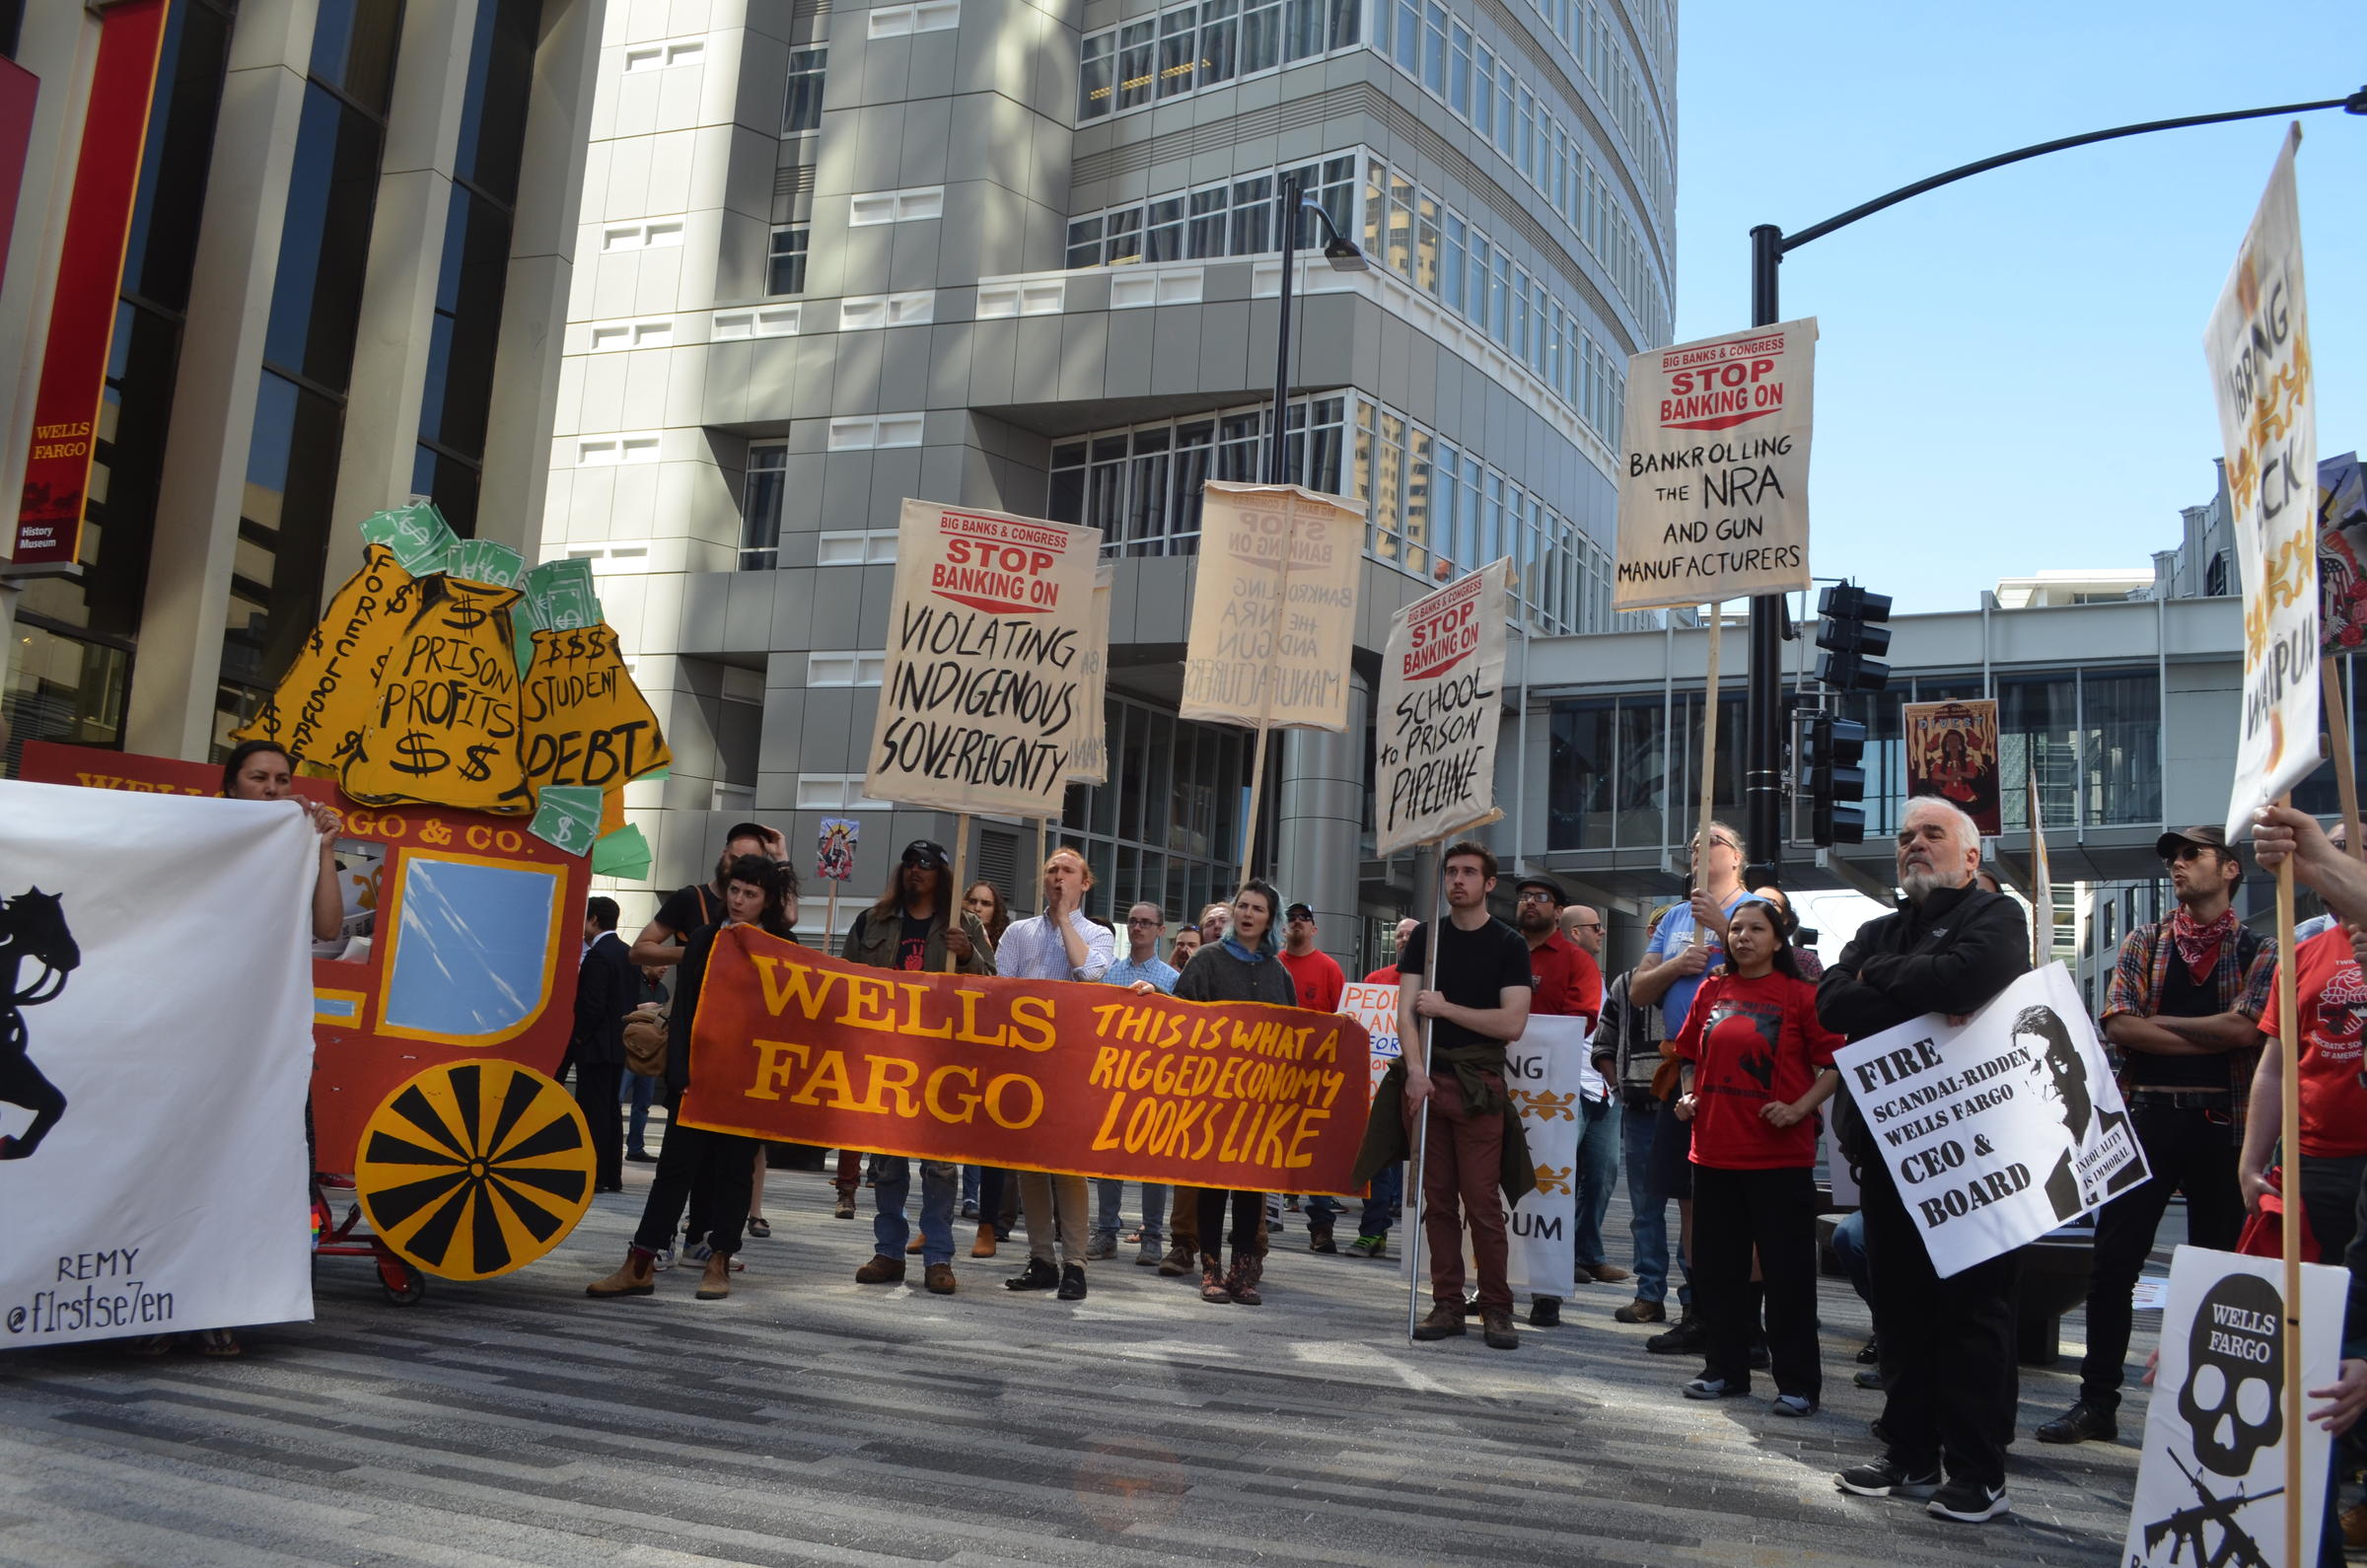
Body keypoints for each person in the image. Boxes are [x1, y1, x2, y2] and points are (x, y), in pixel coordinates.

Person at [1824, 798, 2030, 1525]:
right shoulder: (1877, 929)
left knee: (1973, 1312)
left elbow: (1969, 979)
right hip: (1887, 1151)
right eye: (1905, 836)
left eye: (1931, 834)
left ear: (1971, 857)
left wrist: (1882, 980)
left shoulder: (1999, 917)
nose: (1913, 844)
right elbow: (1832, 1001)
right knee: (1902, 1311)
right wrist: (1912, 982)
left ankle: (1978, 1472)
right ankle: (1908, 1453)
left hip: (1973, 1154)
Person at [2037, 823, 2269, 1449]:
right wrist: (2204, 1028)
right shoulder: (2145, 940)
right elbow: (2119, 1027)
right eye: (2173, 856)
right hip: (2147, 1118)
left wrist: (2157, 1021)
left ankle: (2198, 1414)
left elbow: (2249, 1031)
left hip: (2225, 1124)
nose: (2178, 865)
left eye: (2193, 855)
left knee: (2215, 1273)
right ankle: (2097, 1403)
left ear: (2230, 870)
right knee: (2113, 1266)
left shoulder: (2258, 949)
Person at [2244, 806, 2367, 1561]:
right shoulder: (2306, 952)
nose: (2325, 869)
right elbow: (2276, 1063)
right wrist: (2254, 1159)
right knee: (2314, 1356)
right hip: (2314, 1168)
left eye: (2345, 854)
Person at [589, 856, 795, 1303]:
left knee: (735, 1172)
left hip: (747, 1080)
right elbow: (684, 1012)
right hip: (697, 1077)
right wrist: (679, 1074)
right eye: (735, 890)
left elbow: (787, 1021)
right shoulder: (703, 939)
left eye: (751, 894)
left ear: (768, 901)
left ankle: (719, 1259)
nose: (739, 901)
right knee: (673, 1171)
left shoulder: (783, 945)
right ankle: (640, 1261)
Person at [1355, 841, 1535, 1350]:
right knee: (1436, 1202)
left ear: (1488, 883)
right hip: (1428, 1080)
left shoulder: (1508, 945)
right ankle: (1447, 1303)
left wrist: (1448, 1008)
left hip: (1479, 1087)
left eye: (1469, 872)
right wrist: (1414, 1071)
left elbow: (1512, 1023)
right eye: (1451, 872)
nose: (1457, 880)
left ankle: (1496, 1308)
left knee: (1481, 1202)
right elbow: (1407, 1012)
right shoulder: (1426, 940)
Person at [1669, 897, 1842, 1415]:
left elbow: (1834, 1064)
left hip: (1778, 1161)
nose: (1743, 937)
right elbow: (1687, 1056)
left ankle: (1798, 1384)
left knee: (1788, 1275)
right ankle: (1725, 1370)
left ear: (1777, 939)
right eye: (1737, 928)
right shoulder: (1711, 989)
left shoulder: (1800, 996)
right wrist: (1687, 1096)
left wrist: (1800, 1108)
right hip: (1712, 1154)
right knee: (1717, 1273)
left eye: (1756, 929)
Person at [841, 839, 995, 1296]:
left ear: (942, 874)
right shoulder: (873, 921)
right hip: (885, 1057)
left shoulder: (963, 925)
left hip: (941, 1062)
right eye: (909, 863)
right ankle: (888, 1251)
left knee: (941, 1168)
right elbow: (844, 981)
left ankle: (938, 1258)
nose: (915, 871)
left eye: (926, 864)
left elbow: (995, 990)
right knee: (886, 1163)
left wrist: (967, 955)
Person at [1628, 826, 1751, 1356]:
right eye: (1695, 842)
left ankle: (1746, 1321)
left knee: (1739, 1204)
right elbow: (1638, 989)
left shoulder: (1755, 906)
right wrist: (1679, 963)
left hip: (1736, 1076)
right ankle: (1697, 1312)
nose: (1701, 846)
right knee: (1688, 1201)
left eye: (1715, 840)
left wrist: (1722, 927)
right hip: (1682, 1070)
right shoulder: (1675, 919)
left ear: (1737, 857)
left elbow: (1772, 968)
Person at [1173, 879, 1298, 1305]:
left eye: (1257, 909)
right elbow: (1179, 1017)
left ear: (1270, 919)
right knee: (1212, 1187)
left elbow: (1294, 1034)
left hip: (1260, 1102)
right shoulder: (1207, 960)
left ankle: (1243, 1273)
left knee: (1250, 1190)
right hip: (1212, 1096)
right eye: (1242, 906)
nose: (1247, 914)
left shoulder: (1278, 971)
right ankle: (1211, 1270)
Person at [995, 848, 1112, 1301]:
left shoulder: (1097, 934)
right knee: (1029, 1167)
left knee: (1069, 1167)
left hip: (1071, 1065)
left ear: (1085, 883)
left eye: (1067, 870)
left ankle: (1075, 1263)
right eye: (1050, 869)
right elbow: (1000, 992)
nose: (1057, 875)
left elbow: (1089, 973)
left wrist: (1064, 919)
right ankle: (1041, 1258)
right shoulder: (1017, 932)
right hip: (1025, 1063)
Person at [1512, 874, 1615, 1327]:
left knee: (1555, 1188)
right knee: (1504, 1186)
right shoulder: (1501, 952)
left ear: (1558, 912)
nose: (1529, 903)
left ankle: (1546, 1291)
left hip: (1560, 1093)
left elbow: (1583, 1019)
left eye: (1541, 898)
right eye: (1523, 897)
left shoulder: (1577, 961)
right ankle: (1491, 1281)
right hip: (1506, 1087)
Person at [2243, 918, 2367, 1263]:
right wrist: (2250, 1166)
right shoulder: (2300, 956)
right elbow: (2275, 1068)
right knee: (2318, 1296)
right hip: (2316, 1163)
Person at [1605, 916, 1689, 1327]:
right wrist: (1618, 1085)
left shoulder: (1699, 979)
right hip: (1639, 1109)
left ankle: (1695, 1297)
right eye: (1656, 930)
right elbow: (1604, 1042)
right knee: (1645, 1209)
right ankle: (1649, 1294)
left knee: (1695, 1206)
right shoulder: (1624, 985)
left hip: (1689, 1106)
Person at [1099, 902, 1179, 1265]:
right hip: (1114, 1076)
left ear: (1161, 930)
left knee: (1153, 1163)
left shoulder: (1172, 979)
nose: (1138, 928)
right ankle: (1105, 1232)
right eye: (1132, 922)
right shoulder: (1109, 974)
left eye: (1147, 923)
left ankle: (1152, 1237)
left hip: (1154, 1080)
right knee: (1108, 1159)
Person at [572, 896, 638, 1194]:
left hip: (597, 1046)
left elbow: (592, 1006)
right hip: (619, 1045)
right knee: (612, 1109)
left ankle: (595, 1174)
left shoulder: (598, 956)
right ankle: (613, 1174)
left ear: (594, 919)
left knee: (593, 1111)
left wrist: (580, 1037)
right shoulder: (627, 953)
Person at [621, 963, 667, 1163]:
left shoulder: (663, 990)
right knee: (617, 1098)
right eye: (662, 964)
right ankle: (611, 1143)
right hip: (630, 1049)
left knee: (643, 1102)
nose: (665, 967)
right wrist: (640, 1009)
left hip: (652, 1052)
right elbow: (619, 1009)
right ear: (647, 963)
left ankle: (636, 1147)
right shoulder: (631, 982)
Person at [1365, 917, 1419, 984]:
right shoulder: (1374, 979)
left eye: (1411, 935)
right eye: (1400, 936)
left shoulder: (1434, 978)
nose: (1404, 939)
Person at [964, 880, 1011, 949]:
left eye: (985, 903)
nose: (977, 908)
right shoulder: (954, 934)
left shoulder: (1006, 942)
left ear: (996, 910)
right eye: (972, 902)